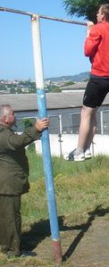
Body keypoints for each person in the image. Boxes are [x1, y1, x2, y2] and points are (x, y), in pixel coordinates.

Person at [65, 4, 109, 161]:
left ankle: (79, 151)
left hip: (98, 77)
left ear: (103, 15)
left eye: (98, 12)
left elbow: (87, 51)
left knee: (85, 112)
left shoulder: (98, 28)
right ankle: (87, 149)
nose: (96, 15)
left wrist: (89, 31)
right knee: (92, 112)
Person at [0, 104, 49, 258]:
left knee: (6, 216)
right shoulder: (3, 133)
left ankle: (8, 245)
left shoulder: (5, 131)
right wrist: (36, 128)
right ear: (5, 118)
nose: (15, 116)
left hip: (6, 183)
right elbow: (16, 141)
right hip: (8, 184)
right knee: (11, 217)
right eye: (13, 114)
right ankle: (13, 251)